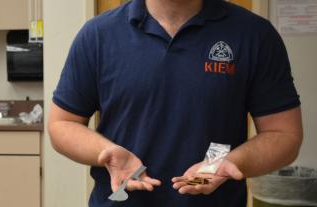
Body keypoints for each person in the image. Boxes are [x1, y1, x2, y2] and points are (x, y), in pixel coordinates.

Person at [48, 0, 303, 206]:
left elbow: (284, 134)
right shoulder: (97, 35)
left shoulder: (254, 35)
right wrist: (103, 151)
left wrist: (234, 161)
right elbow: (62, 124)